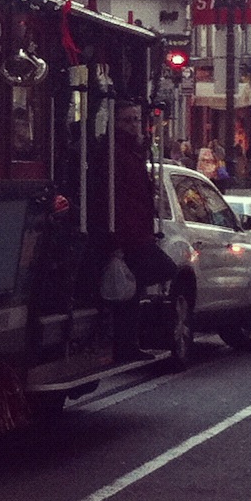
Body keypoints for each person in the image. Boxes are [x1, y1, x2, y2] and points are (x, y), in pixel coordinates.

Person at [92, 102, 177, 363]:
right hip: (129, 235)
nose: (133, 125)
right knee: (160, 271)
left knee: (134, 288)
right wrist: (116, 238)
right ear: (115, 123)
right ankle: (124, 341)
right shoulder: (117, 153)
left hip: (137, 232)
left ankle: (126, 342)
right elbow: (114, 198)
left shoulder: (132, 151)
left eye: (136, 120)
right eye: (127, 120)